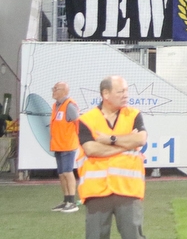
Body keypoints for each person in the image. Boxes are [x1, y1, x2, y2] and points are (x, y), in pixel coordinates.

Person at [76, 75, 148, 239]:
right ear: (106, 94)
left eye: (126, 91)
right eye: (121, 91)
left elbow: (140, 139)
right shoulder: (86, 120)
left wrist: (110, 140)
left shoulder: (134, 115)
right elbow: (91, 149)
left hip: (128, 189)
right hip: (96, 192)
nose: (126, 95)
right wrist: (125, 144)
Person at [50, 81, 80, 213]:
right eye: (54, 88)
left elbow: (78, 122)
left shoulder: (69, 105)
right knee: (62, 174)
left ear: (64, 91)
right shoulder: (56, 106)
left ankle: (72, 202)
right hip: (59, 144)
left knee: (68, 172)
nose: (53, 91)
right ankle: (66, 200)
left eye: (56, 89)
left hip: (68, 144)